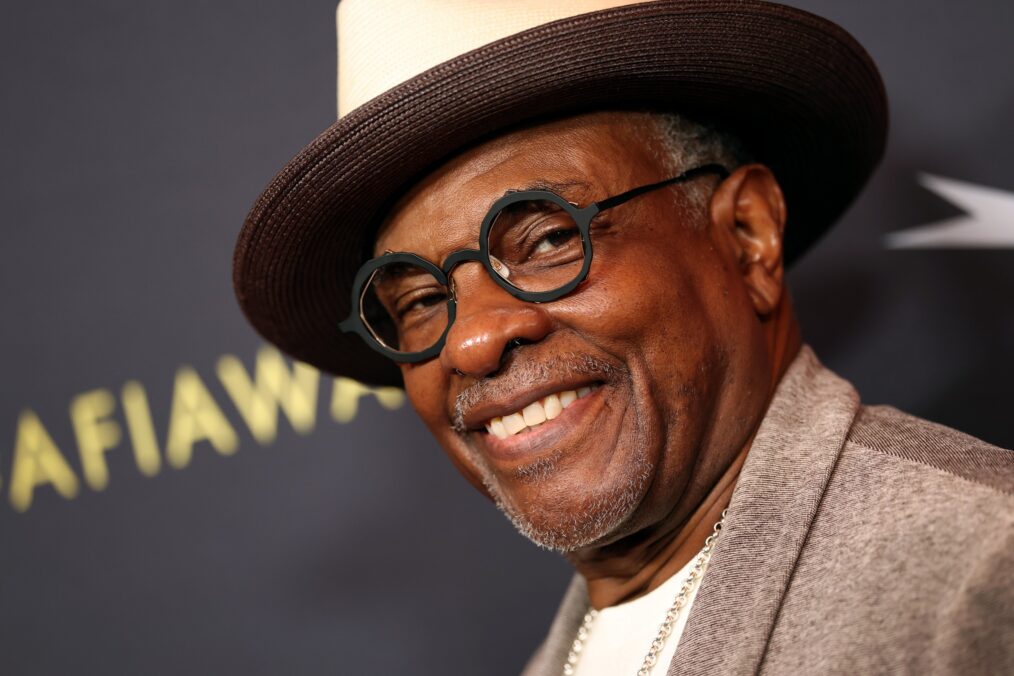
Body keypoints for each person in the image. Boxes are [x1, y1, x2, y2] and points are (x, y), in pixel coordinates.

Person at [232, 1, 1014, 674]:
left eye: (543, 241)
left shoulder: (978, 575)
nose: (470, 344)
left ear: (747, 236)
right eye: (421, 299)